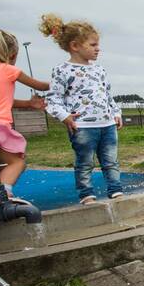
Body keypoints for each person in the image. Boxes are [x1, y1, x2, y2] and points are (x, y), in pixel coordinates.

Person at [40, 14, 123, 204]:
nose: (98, 49)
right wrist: (64, 116)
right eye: (93, 45)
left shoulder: (99, 69)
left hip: (107, 124)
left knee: (111, 161)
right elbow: (53, 98)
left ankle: (115, 190)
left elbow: (107, 94)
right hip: (82, 126)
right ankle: (86, 193)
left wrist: (116, 113)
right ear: (75, 46)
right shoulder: (62, 70)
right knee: (85, 163)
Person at [0, 30, 49, 201]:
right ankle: (2, 194)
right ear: (11, 54)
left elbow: (1, 100)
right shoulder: (9, 70)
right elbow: (41, 86)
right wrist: (66, 80)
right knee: (17, 162)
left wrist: (28, 104)